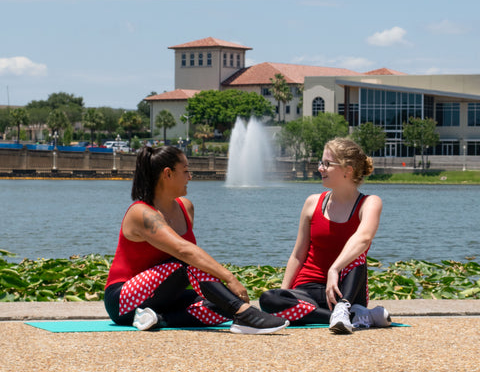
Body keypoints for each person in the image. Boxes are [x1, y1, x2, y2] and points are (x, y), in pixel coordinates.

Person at [104, 145, 289, 335]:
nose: (190, 177)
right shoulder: (141, 213)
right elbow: (184, 251)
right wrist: (229, 278)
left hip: (164, 297)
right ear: (167, 174)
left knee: (221, 305)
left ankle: (157, 319)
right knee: (186, 261)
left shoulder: (186, 207)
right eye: (185, 171)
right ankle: (245, 316)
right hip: (122, 302)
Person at [259, 137, 391, 334]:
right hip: (308, 290)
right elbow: (298, 255)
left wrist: (334, 269)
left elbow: (363, 238)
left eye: (327, 164)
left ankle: (344, 309)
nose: (320, 168)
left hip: (346, 289)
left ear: (348, 170)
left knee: (358, 252)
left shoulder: (370, 203)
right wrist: (283, 292)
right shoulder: (312, 203)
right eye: (321, 163)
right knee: (269, 299)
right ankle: (354, 317)